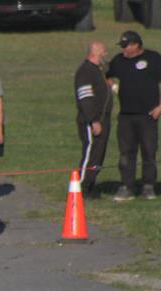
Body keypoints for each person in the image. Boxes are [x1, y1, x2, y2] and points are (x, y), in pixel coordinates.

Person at [106, 31, 161, 201]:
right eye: (122, 46)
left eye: (126, 46)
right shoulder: (119, 61)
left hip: (148, 115)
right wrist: (114, 88)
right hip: (126, 115)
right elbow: (107, 76)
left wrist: (160, 107)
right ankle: (127, 186)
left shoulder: (153, 59)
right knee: (126, 153)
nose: (123, 50)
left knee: (148, 152)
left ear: (136, 45)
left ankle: (148, 185)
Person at [75, 41, 113, 198]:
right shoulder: (86, 72)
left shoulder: (98, 71)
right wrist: (93, 120)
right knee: (90, 152)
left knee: (98, 154)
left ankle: (91, 184)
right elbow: (85, 97)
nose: (106, 55)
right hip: (92, 120)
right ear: (96, 52)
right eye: (104, 52)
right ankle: (82, 187)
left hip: (102, 119)